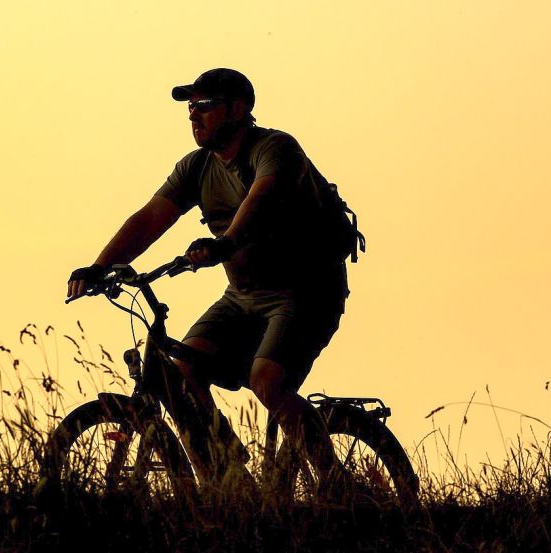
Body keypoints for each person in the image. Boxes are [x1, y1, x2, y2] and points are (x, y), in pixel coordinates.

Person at [66, 68, 352, 498]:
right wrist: (99, 266)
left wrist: (228, 242)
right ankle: (227, 479)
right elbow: (149, 218)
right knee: (182, 374)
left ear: (238, 109)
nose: (193, 116)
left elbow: (263, 196)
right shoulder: (196, 167)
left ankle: (341, 487)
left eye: (203, 106)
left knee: (268, 380)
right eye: (189, 108)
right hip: (241, 297)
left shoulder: (274, 148)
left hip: (305, 292)